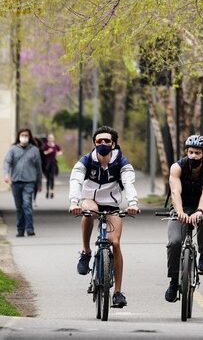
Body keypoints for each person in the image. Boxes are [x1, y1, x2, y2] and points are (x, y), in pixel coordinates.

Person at [68, 126, 139, 308]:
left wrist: (133, 203)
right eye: (99, 141)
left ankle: (117, 292)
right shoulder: (86, 161)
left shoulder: (121, 162)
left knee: (115, 243)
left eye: (107, 141)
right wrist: (74, 202)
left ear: (113, 144)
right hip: (90, 199)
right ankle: (86, 252)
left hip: (112, 204)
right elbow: (75, 180)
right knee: (90, 212)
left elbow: (128, 182)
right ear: (94, 143)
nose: (103, 144)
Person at [164, 134, 203, 303]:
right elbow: (175, 191)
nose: (194, 156)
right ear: (186, 152)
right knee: (174, 241)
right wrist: (179, 211)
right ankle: (174, 280)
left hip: (202, 204)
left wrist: (200, 211)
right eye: (191, 152)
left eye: (197, 153)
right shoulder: (177, 167)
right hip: (180, 204)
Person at [3, 128, 43, 237]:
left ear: (29, 137)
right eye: (22, 135)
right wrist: (6, 175)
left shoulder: (34, 150)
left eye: (26, 135)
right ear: (19, 137)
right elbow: (7, 163)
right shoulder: (13, 149)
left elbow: (38, 168)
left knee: (27, 204)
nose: (24, 137)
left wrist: (39, 183)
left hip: (29, 182)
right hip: (16, 182)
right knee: (19, 207)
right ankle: (20, 230)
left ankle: (30, 229)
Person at [42, 133, 62, 199]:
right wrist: (48, 151)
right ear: (48, 139)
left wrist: (57, 153)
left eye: (51, 138)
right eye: (49, 138)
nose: (50, 139)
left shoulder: (55, 146)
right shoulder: (45, 146)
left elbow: (60, 152)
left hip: (53, 163)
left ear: (53, 139)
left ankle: (52, 191)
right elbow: (43, 153)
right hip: (46, 164)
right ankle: (47, 191)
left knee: (52, 177)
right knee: (48, 178)